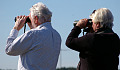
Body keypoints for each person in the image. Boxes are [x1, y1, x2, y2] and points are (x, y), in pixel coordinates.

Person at [6, 2, 61, 70]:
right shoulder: (57, 35)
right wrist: (33, 27)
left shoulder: (33, 34)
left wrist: (16, 28)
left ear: (36, 19)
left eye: (30, 19)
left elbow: (9, 49)